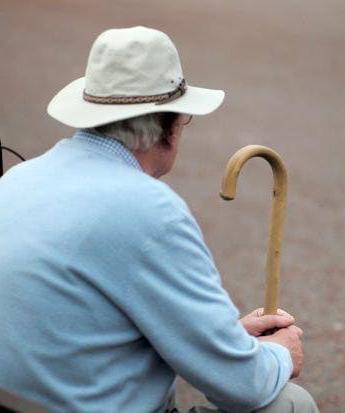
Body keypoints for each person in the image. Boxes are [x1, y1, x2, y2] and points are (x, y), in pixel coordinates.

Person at [0, 26, 319, 413]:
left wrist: (227, 340)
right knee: (289, 404)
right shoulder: (150, 209)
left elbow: (83, 323)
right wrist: (280, 354)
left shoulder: (20, 177)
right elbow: (245, 387)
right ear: (168, 128)